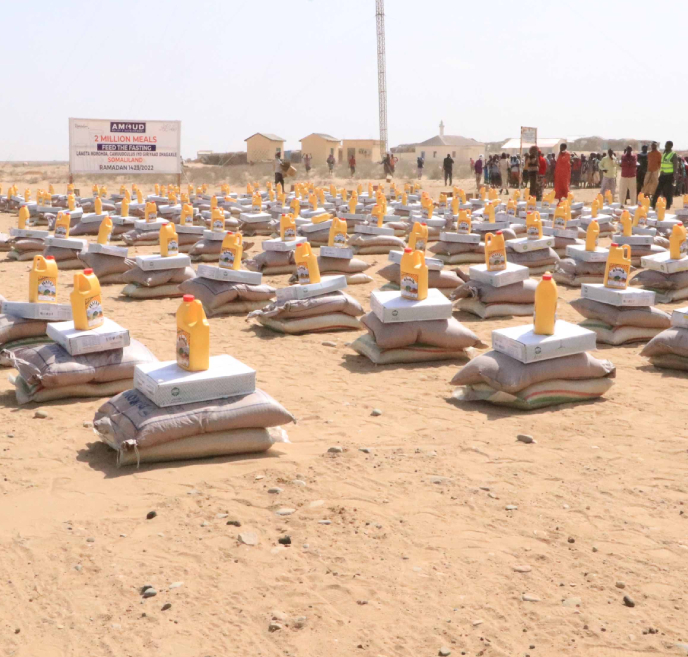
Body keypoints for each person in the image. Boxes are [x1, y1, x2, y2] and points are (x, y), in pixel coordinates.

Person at [652, 140, 679, 209]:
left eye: (667, 145)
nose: (665, 146)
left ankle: (668, 205)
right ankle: (653, 204)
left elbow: (675, 166)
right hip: (663, 175)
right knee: (658, 190)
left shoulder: (673, 154)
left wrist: (674, 176)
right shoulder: (664, 153)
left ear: (671, 146)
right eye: (665, 145)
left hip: (669, 175)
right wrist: (660, 174)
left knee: (668, 191)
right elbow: (662, 165)